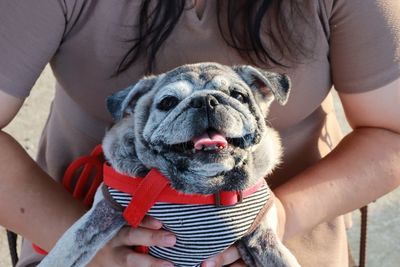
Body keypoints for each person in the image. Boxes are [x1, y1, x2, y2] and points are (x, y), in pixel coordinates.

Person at [1, 0, 399, 266]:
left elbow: (392, 132)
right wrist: (86, 241)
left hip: (288, 241)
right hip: (80, 228)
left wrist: (283, 215)